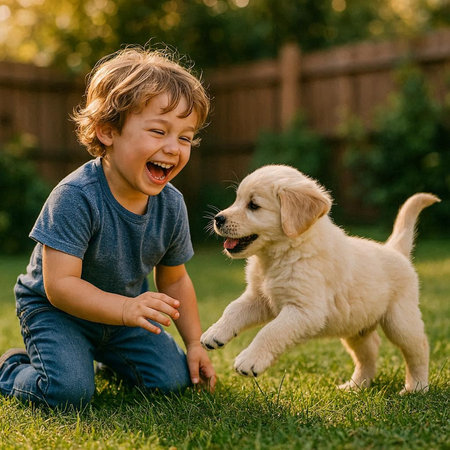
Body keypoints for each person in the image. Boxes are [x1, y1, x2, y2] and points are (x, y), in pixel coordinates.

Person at [0, 47, 216, 408]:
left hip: (122, 316)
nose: (173, 148)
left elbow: (175, 278)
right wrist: (125, 310)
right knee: (68, 393)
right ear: (107, 132)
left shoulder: (171, 203)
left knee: (172, 381)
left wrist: (194, 343)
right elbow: (61, 286)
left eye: (184, 137)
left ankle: (104, 358)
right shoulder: (76, 197)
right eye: (158, 131)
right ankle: (10, 367)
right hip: (57, 313)